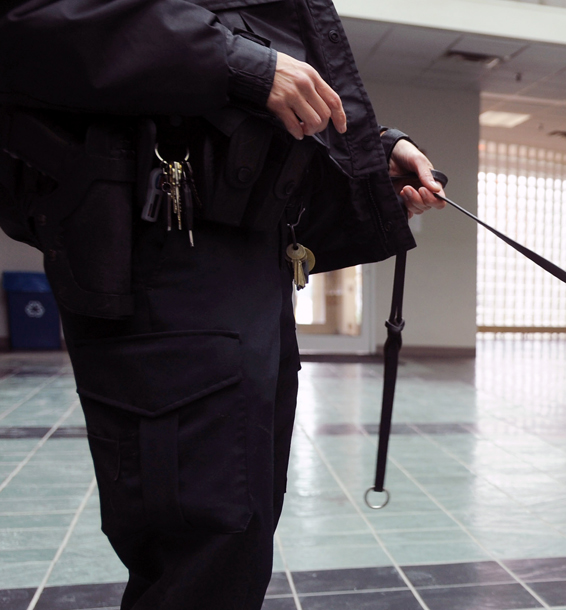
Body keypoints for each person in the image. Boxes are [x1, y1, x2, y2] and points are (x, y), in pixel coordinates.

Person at [0, 2, 445, 608]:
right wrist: (236, 64)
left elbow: (240, 93)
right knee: (203, 554)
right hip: (165, 256)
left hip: (243, 266)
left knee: (236, 543)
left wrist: (368, 159)